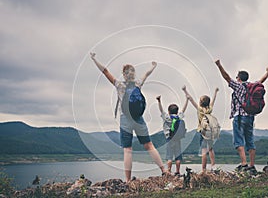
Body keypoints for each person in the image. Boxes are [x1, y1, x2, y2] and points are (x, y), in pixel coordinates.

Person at [90, 53, 166, 182]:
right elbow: (147, 74)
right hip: (138, 119)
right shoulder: (138, 83)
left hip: (125, 119)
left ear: (124, 74)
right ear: (133, 74)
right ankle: (164, 170)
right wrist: (153, 66)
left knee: (128, 149)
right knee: (149, 145)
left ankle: (128, 180)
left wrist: (94, 59)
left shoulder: (119, 85)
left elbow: (105, 71)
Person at [214, 59, 268, 175]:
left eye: (237, 77)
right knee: (250, 140)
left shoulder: (238, 86)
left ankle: (244, 163)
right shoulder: (252, 86)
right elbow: (262, 80)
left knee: (239, 141)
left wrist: (219, 65)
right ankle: (251, 165)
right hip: (250, 117)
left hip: (239, 117)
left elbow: (226, 77)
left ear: (239, 78)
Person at [182, 86, 219, 172]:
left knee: (203, 151)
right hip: (210, 132)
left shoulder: (200, 110)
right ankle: (213, 166)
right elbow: (213, 101)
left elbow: (191, 100)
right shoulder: (209, 109)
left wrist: (185, 91)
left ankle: (203, 169)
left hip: (202, 132)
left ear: (201, 102)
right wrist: (215, 93)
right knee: (210, 149)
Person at [156, 95, 189, 176]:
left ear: (169, 111)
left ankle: (169, 171)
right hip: (177, 139)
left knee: (169, 157)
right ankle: (177, 171)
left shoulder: (167, 118)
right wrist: (187, 100)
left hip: (169, 139)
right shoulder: (179, 117)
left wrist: (159, 101)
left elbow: (161, 111)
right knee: (178, 157)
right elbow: (184, 110)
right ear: (177, 111)